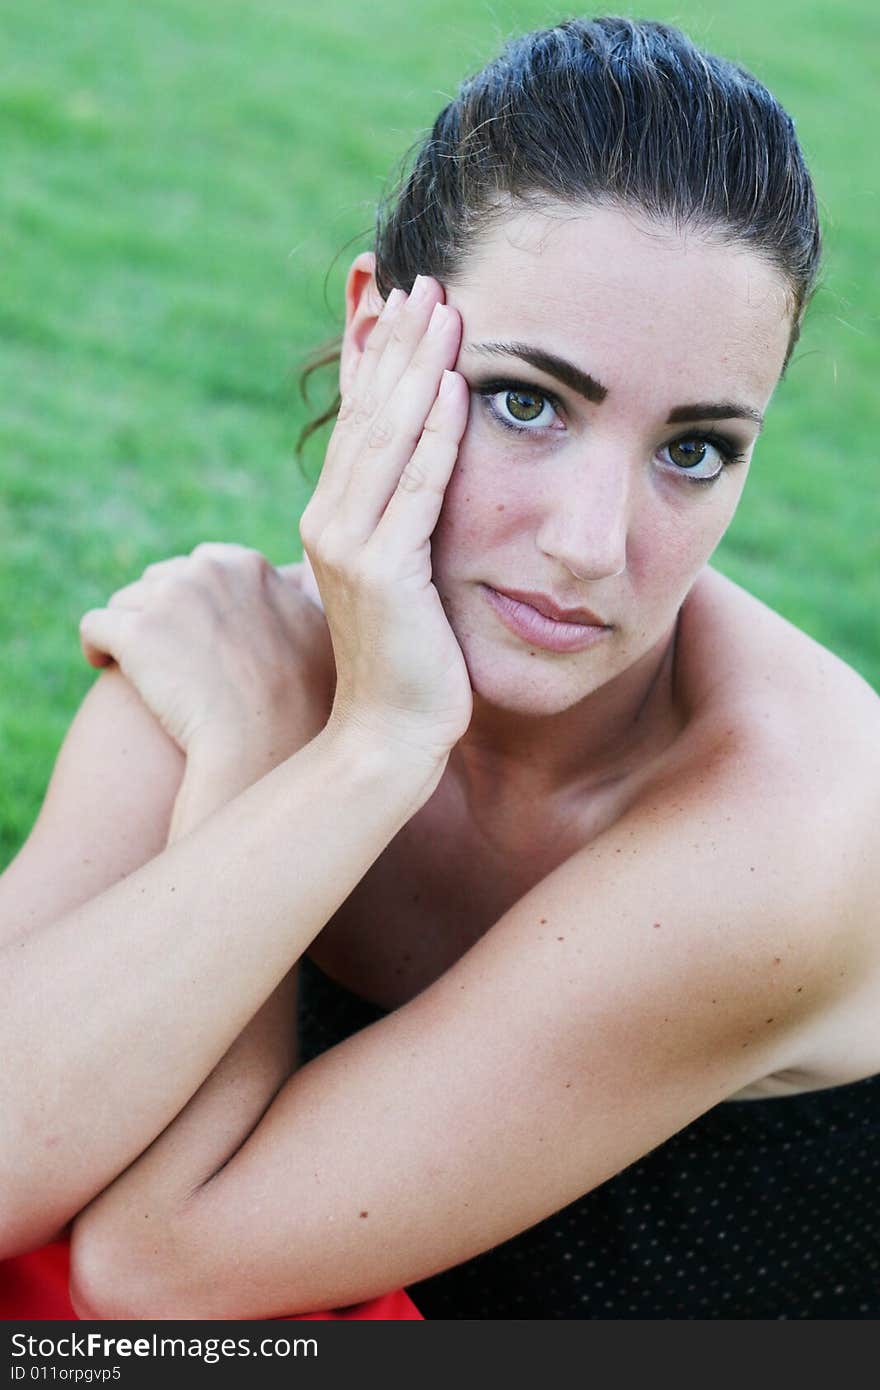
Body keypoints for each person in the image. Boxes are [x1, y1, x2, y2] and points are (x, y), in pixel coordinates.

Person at [1, 15, 878, 1321]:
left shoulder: (795, 824)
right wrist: (324, 739)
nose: (589, 545)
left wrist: (319, 753)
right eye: (528, 401)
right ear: (377, 339)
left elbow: (153, 1280)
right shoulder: (243, 660)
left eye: (693, 449)